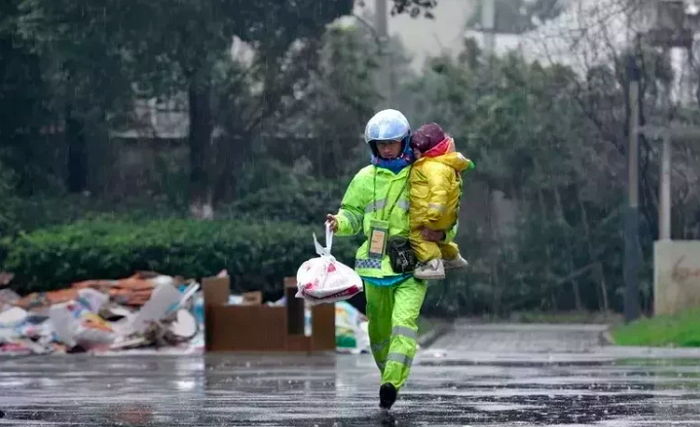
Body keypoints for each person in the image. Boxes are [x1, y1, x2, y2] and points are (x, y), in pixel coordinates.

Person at [325, 109, 454, 410]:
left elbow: (447, 212)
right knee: (378, 332)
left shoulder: (424, 174)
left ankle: (392, 383)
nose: (386, 148)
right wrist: (338, 222)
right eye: (380, 144)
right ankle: (388, 378)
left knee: (403, 324)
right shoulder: (364, 178)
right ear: (373, 146)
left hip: (416, 264)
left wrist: (442, 233)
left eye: (392, 142)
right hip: (374, 267)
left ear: (404, 141)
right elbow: (353, 215)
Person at [409, 123, 474, 280]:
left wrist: (432, 216)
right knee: (440, 243)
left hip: (432, 216)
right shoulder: (446, 164)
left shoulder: (433, 167)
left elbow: (439, 192)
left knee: (417, 238)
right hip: (446, 219)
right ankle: (454, 258)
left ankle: (433, 265)